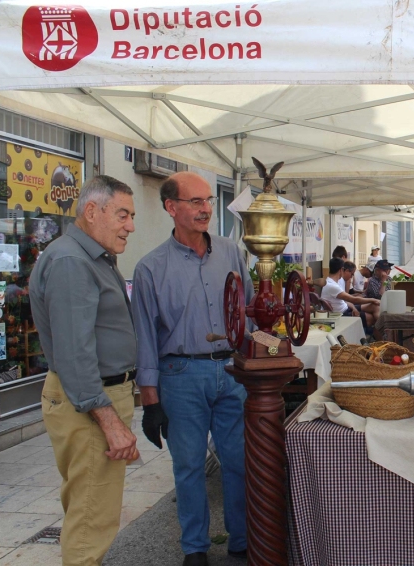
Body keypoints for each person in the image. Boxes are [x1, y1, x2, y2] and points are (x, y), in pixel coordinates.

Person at [132, 172, 253, 566]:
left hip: (232, 372)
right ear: (171, 208)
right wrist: (150, 400)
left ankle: (242, 540)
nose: (206, 209)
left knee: (238, 460)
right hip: (180, 375)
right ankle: (195, 549)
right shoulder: (151, 268)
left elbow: (249, 311)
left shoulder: (232, 253)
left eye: (208, 201)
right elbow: (146, 338)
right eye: (196, 202)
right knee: (188, 467)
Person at [29, 175, 139, 566]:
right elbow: (75, 354)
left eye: (132, 216)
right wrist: (108, 420)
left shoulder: (89, 257)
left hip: (93, 397)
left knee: (86, 507)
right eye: (122, 215)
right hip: (91, 401)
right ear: (92, 211)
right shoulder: (73, 261)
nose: (130, 225)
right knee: (92, 518)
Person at [321, 258, 380, 323]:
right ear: (341, 270)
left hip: (346, 308)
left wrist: (353, 308)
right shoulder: (332, 285)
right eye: (351, 274)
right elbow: (353, 299)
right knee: (371, 317)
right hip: (342, 314)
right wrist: (373, 300)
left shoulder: (332, 282)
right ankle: (377, 331)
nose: (351, 277)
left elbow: (344, 301)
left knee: (375, 306)